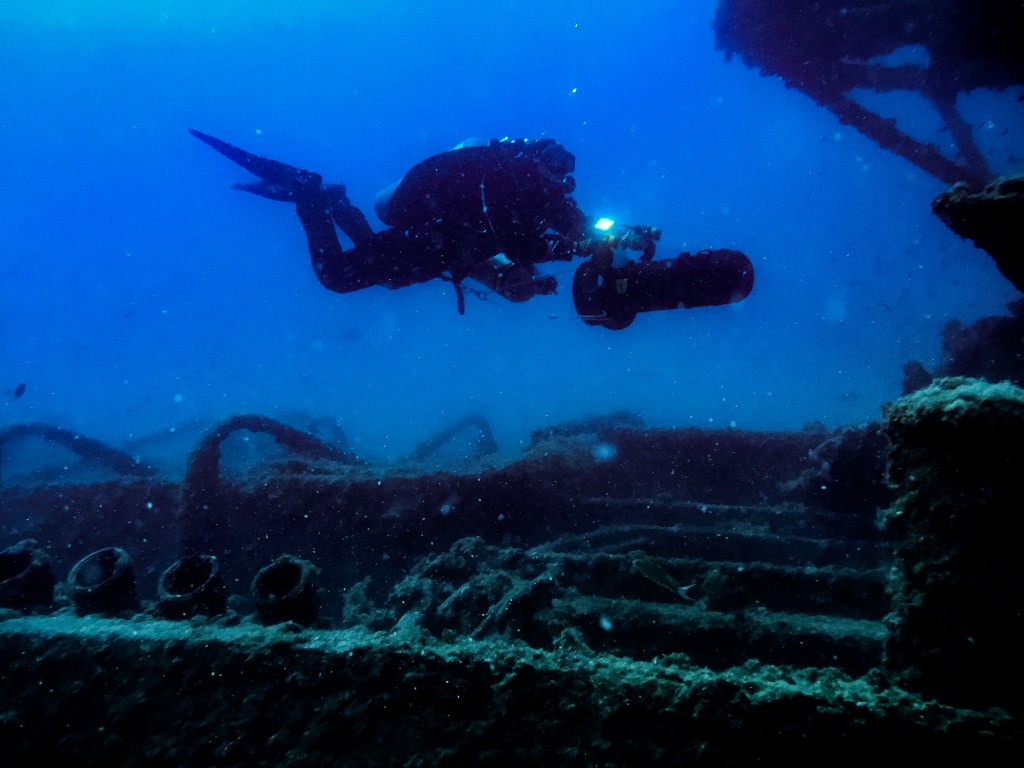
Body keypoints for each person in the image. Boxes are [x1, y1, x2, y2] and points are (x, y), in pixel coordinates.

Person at [189, 130, 754, 328]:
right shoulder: (501, 180)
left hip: (438, 249)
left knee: (379, 271)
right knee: (337, 277)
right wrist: (563, 248)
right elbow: (514, 241)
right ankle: (309, 193)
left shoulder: (543, 198)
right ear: (533, 159)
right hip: (431, 237)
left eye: (563, 177)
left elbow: (546, 241)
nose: (557, 182)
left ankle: (330, 198)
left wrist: (618, 236)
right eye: (551, 168)